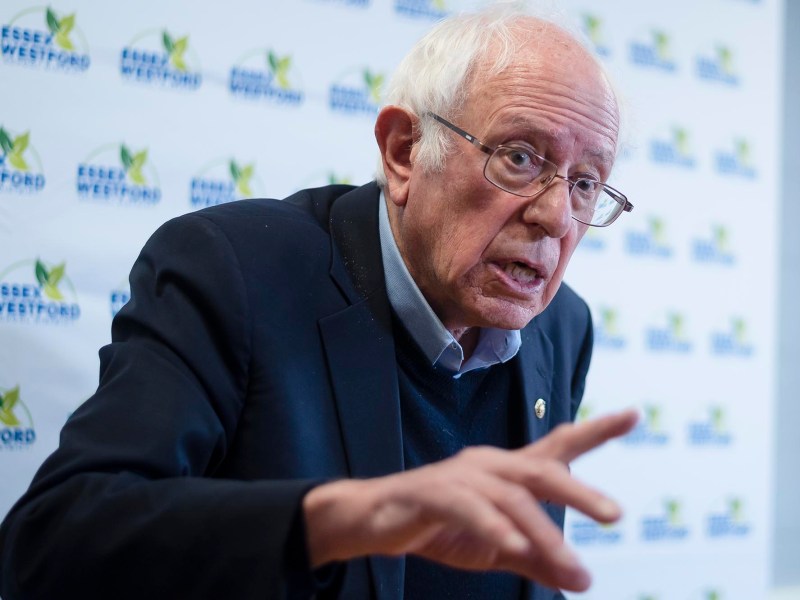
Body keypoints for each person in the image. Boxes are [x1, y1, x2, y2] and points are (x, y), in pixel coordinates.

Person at [0, 6, 637, 599]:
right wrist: (348, 519)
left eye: (586, 184)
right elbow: (54, 543)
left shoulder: (561, 326)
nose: (557, 217)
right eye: (519, 158)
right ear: (404, 152)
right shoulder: (236, 272)